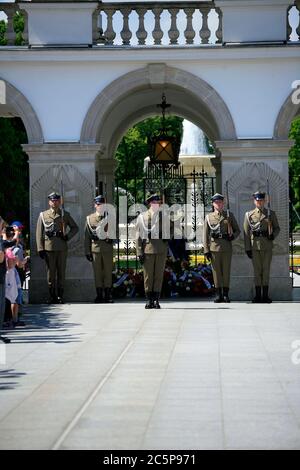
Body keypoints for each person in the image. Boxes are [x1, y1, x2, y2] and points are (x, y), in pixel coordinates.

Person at [36, 192, 79, 304]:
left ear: (59, 202)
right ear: (49, 202)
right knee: (51, 274)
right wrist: (40, 248)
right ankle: (52, 296)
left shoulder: (65, 214)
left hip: (61, 248)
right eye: (52, 200)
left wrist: (66, 237)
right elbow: (39, 233)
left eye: (56, 200)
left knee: (61, 272)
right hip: (49, 248)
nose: (54, 202)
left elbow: (75, 228)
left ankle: (60, 296)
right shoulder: (43, 215)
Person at [136, 194, 173, 309]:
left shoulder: (164, 216)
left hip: (161, 249)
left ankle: (156, 299)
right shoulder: (142, 217)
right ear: (150, 203)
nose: (157, 204)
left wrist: (168, 236)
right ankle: (148, 300)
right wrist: (139, 252)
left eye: (159, 202)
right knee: (148, 276)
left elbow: (173, 228)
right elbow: (138, 236)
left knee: (158, 276)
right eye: (155, 202)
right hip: (148, 249)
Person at [244, 191, 280, 303]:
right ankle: (258, 296)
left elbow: (277, 228)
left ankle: (265, 296)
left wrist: (272, 235)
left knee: (266, 271)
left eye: (261, 200)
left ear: (264, 201)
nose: (259, 202)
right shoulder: (249, 215)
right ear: (254, 201)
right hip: (255, 246)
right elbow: (246, 233)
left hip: (267, 246)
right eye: (257, 200)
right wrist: (248, 248)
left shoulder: (271, 214)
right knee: (257, 271)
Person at [203, 193, 240, 303]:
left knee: (226, 272)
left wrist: (232, 236)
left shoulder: (229, 215)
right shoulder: (209, 217)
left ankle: (225, 294)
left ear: (223, 203)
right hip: (214, 248)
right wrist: (206, 250)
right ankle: (218, 294)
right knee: (216, 272)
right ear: (213, 204)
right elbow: (205, 235)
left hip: (226, 247)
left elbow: (237, 230)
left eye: (220, 202)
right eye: (216, 202)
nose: (218, 204)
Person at [84, 195, 114, 303]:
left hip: (107, 249)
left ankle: (108, 295)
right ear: (95, 205)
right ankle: (99, 295)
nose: (100, 206)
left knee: (107, 272)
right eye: (98, 204)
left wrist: (110, 237)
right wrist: (87, 251)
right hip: (95, 249)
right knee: (97, 273)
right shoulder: (89, 218)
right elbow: (87, 236)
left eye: (102, 204)